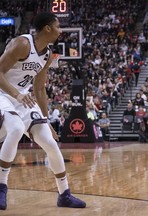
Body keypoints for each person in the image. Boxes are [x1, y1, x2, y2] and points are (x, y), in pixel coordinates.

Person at [0, 12, 86, 210]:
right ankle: (2, 187)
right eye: (57, 26)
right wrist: (17, 94)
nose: (60, 30)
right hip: (4, 94)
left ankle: (64, 194)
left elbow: (39, 89)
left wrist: (46, 120)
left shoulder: (47, 54)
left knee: (49, 142)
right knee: (15, 128)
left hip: (22, 97)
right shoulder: (22, 44)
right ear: (47, 28)